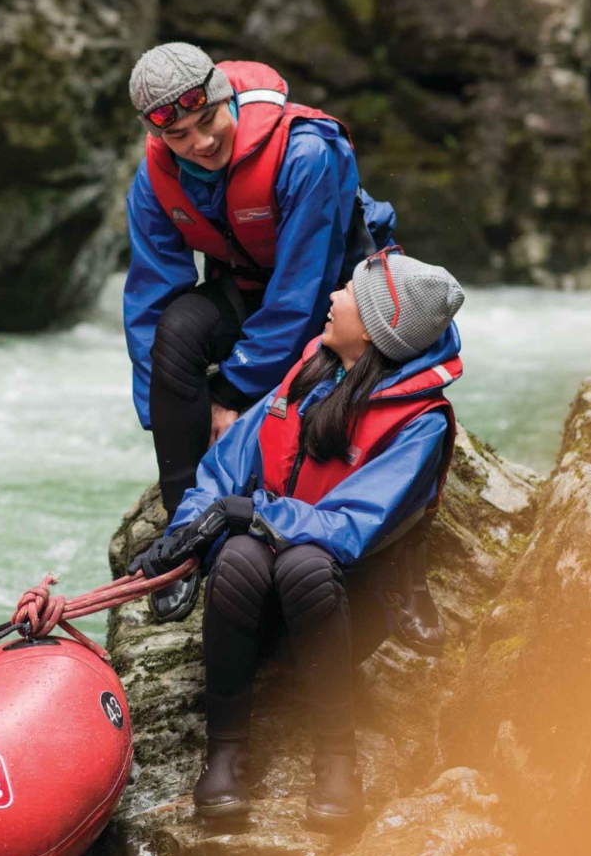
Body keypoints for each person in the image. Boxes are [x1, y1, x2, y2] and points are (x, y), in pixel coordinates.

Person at [128, 249, 465, 829]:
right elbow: (225, 469)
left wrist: (250, 511)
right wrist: (185, 534)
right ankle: (225, 754)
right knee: (237, 553)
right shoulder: (314, 371)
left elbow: (350, 529)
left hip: (339, 612)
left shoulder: (421, 425)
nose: (333, 297)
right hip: (256, 613)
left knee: (302, 563)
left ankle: (337, 760)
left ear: (377, 330)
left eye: (350, 294)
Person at [123, 41, 398, 624]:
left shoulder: (306, 152)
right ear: (158, 135)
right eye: (179, 136)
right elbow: (150, 298)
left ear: (227, 99)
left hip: (340, 294)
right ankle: (183, 540)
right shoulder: (154, 180)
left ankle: (401, 572)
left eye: (208, 120)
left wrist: (232, 392)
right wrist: (172, 414)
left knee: (345, 384)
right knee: (174, 332)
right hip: (248, 291)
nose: (200, 143)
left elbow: (303, 291)